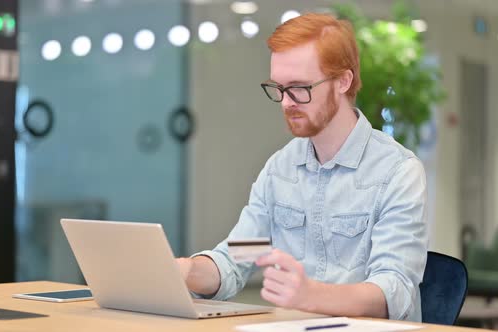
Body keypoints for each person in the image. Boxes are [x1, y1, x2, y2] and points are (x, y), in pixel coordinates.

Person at [176, 12, 427, 322]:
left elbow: (395, 291)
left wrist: (310, 295)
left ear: (343, 81)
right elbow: (236, 259)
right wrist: (185, 271)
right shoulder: (280, 170)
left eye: (299, 88)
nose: (286, 103)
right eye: (279, 89)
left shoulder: (397, 172)